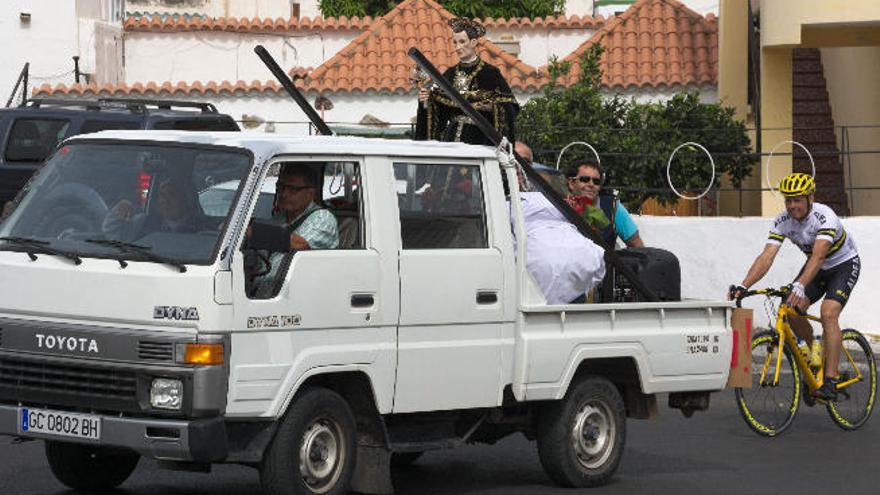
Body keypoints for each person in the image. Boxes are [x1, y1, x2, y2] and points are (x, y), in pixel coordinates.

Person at [730, 173, 860, 401]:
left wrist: (800, 284)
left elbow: (819, 255)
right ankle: (813, 360)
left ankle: (830, 379)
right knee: (790, 309)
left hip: (843, 265)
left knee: (828, 312)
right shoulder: (782, 221)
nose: (792, 206)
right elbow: (767, 256)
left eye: (797, 200)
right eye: (788, 200)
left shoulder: (824, 216)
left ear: (810, 197)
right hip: (817, 268)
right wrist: (743, 285)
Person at [414, 18, 519, 145]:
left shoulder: (490, 73)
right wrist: (426, 101)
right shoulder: (450, 74)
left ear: (474, 42)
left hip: (480, 138)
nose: (458, 47)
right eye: (455, 42)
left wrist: (493, 108)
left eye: (462, 42)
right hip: (452, 139)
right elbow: (439, 110)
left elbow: (510, 106)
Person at [250, 165, 338, 298]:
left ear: (311, 193)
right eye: (281, 187)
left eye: (293, 189)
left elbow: (301, 245)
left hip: (298, 297)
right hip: (264, 293)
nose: (284, 194)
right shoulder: (279, 218)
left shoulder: (323, 217)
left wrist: (253, 232)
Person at [103, 177, 213, 240]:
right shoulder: (143, 222)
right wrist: (123, 206)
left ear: (187, 200)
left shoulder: (203, 228)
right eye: (162, 195)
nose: (165, 201)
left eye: (172, 195)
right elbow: (113, 233)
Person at [566, 162, 644, 249]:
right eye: (585, 179)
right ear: (571, 183)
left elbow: (637, 245)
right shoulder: (556, 207)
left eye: (596, 181)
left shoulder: (612, 208)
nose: (591, 184)